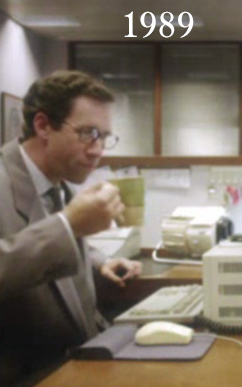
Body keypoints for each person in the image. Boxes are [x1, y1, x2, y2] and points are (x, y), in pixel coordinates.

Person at [0, 70, 142, 386]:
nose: (98, 150)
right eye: (88, 133)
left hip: (78, 364)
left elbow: (32, 235)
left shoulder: (57, 184)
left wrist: (99, 261)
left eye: (104, 136)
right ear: (42, 126)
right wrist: (68, 225)